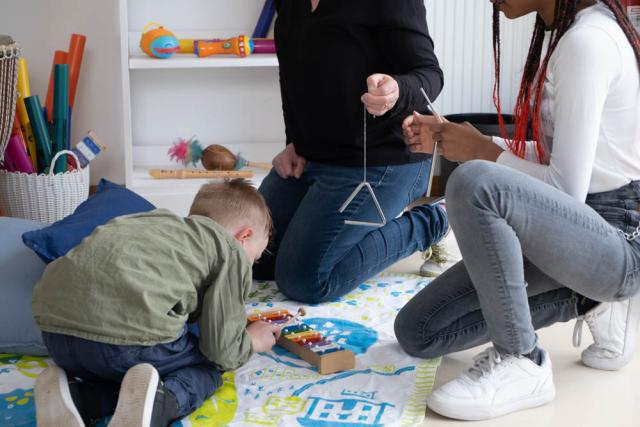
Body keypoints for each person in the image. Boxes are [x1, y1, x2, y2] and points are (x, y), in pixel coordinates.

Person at [395, 0, 640, 420]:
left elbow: (567, 190)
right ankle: (588, 301)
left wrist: (484, 154)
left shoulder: (588, 42)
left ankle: (522, 360)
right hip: (574, 233)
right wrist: (466, 140)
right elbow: (564, 161)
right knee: (419, 330)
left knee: (473, 181)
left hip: (616, 241)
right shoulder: (571, 34)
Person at [32, 180, 280, 427]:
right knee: (210, 366)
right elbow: (222, 350)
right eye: (255, 259)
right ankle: (159, 407)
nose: (250, 265)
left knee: (137, 374)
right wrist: (251, 341)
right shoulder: (230, 250)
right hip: (119, 347)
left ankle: (80, 399)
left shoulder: (155, 223)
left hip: (57, 338)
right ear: (244, 237)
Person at [254, 0, 449, 303]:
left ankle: (430, 222)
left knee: (304, 280)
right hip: (314, 156)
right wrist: (293, 141)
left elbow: (429, 74)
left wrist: (396, 90)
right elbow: (291, 74)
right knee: (253, 258)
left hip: (384, 158)